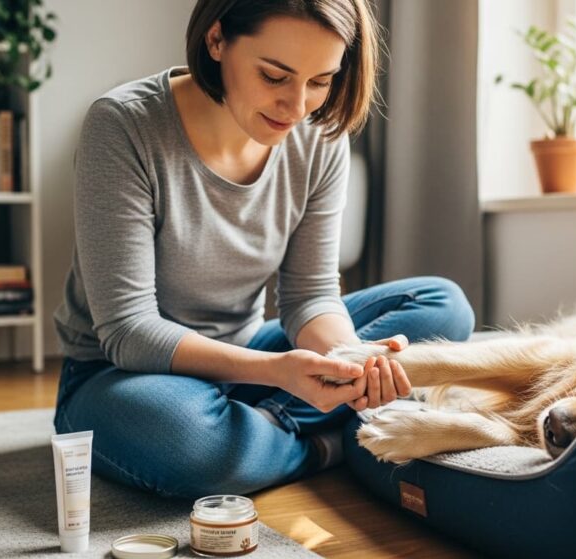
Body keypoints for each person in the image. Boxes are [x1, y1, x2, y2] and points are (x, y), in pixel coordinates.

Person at [53, 0, 474, 499]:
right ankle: (328, 445)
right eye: (275, 77)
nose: (297, 107)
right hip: (124, 374)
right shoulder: (123, 125)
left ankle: (266, 433)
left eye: (320, 81)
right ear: (216, 41)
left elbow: (310, 296)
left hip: (246, 352)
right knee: (183, 438)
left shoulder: (318, 138)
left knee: (442, 305)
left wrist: (351, 361)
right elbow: (127, 330)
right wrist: (280, 373)